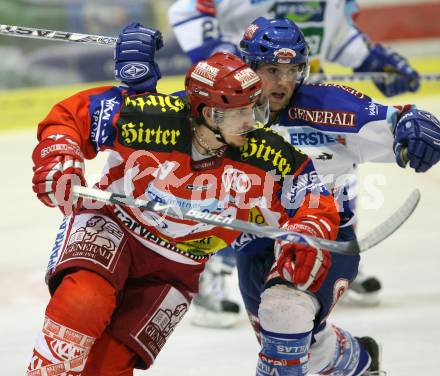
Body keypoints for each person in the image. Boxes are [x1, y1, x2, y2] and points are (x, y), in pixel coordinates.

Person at [26, 22, 351, 375]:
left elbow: (311, 196)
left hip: (177, 266)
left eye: (253, 108)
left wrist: (309, 228)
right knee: (81, 304)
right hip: (114, 227)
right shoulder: (151, 118)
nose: (253, 121)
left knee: (109, 365)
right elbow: (71, 117)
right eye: (242, 111)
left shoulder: (263, 153)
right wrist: (59, 158)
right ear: (211, 114)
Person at [168, 0, 422, 324]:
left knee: (332, 174)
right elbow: (188, 9)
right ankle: (215, 276)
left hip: (306, 92)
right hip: (240, 96)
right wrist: (220, 58)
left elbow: (335, 33)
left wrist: (373, 60)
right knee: (244, 186)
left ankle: (325, 255)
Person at [232, 17, 440, 375]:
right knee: (301, 347)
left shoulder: (329, 106)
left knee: (283, 311)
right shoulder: (225, 109)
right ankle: (361, 358)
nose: (283, 81)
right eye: (271, 69)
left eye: (293, 69)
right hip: (254, 245)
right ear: (248, 68)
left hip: (322, 237)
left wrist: (416, 126)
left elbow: (399, 123)